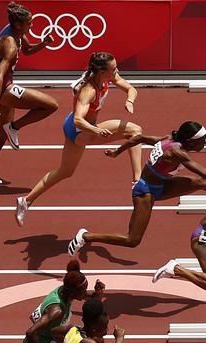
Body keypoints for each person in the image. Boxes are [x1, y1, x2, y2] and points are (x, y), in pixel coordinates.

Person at [68, 121, 206, 254]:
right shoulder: (177, 152)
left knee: (199, 184)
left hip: (163, 184)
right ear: (191, 142)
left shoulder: (169, 139)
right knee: (132, 240)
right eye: (203, 141)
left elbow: (138, 138)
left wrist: (117, 152)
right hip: (145, 191)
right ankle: (86, 236)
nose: (205, 144)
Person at [16, 52, 142, 226]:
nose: (117, 71)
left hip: (73, 127)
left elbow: (131, 89)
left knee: (65, 171)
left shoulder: (107, 78)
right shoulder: (89, 91)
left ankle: (26, 201)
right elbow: (78, 120)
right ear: (102, 72)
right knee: (135, 131)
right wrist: (96, 130)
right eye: (113, 69)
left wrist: (130, 101)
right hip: (81, 131)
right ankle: (137, 182)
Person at [0, 2, 58, 186]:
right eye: (29, 23)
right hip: (2, 87)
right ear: (19, 24)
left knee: (2, 133)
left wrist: (43, 43)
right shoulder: (10, 44)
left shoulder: (17, 32)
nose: (32, 25)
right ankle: (15, 127)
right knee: (51, 105)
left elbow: (27, 50)